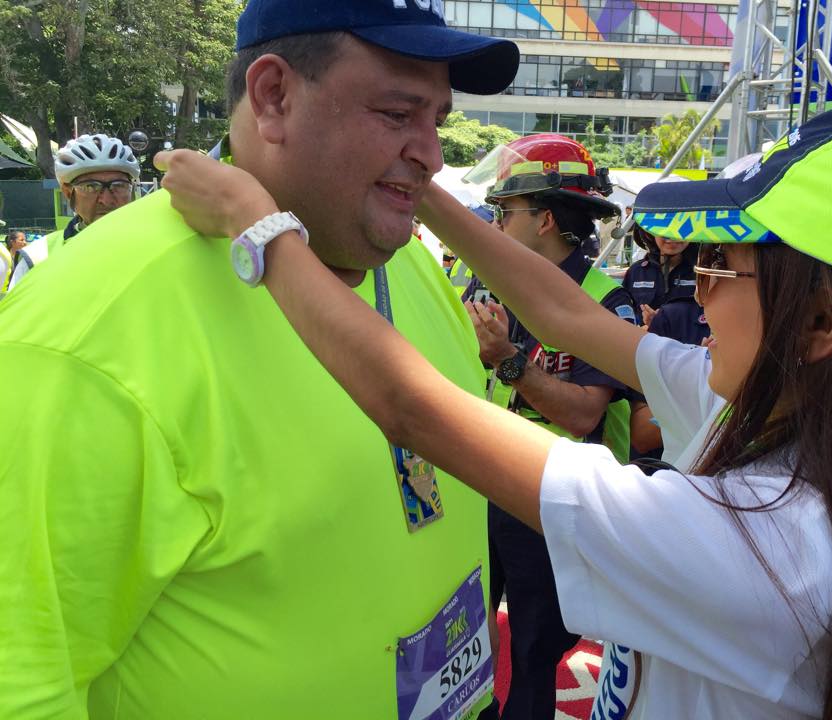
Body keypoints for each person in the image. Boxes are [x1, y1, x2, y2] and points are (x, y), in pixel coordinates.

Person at [158, 94, 832, 720]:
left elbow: (414, 407)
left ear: (820, 323)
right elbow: (569, 316)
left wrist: (257, 227)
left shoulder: (779, 551)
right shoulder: (796, 423)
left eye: (724, 267)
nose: (699, 294)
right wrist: (417, 187)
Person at [0, 1, 519, 718]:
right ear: (273, 96)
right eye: (399, 114)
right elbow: (22, 676)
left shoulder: (405, 263)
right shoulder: (87, 334)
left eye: (437, 118)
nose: (432, 154)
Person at [461, 134, 637, 720]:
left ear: (546, 220)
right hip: (481, 482)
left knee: (535, 652)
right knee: (465, 636)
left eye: (505, 212)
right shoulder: (493, 285)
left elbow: (586, 412)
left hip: (550, 499)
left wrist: (510, 363)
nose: (495, 224)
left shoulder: (605, 301)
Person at [7, 134, 140, 291]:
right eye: (91, 187)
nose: (106, 199)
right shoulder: (38, 256)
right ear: (68, 192)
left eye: (119, 186)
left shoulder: (156, 244)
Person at [1, 230, 26, 294]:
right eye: (21, 240)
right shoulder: (3, 258)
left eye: (25, 240)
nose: (25, 243)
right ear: (12, 242)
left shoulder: (23, 258)